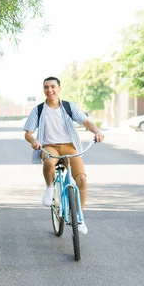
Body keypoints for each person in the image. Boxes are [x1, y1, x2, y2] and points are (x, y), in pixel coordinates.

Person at [23, 76, 104, 234]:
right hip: (49, 146)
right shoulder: (38, 110)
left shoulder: (68, 107)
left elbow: (86, 122)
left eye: (53, 86)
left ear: (59, 88)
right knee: (48, 162)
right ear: (43, 90)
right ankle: (49, 187)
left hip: (69, 146)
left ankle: (79, 218)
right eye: (46, 87)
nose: (50, 90)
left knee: (82, 179)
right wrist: (33, 141)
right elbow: (28, 133)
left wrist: (97, 131)